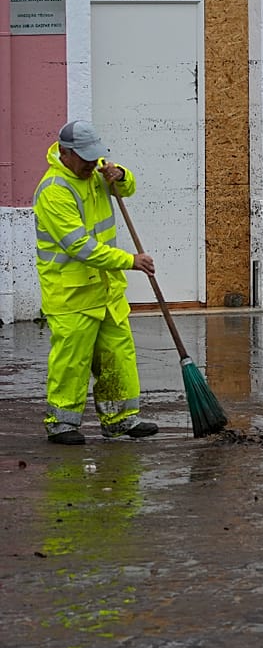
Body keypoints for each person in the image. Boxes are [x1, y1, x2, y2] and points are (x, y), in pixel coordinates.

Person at [33, 121, 160, 444]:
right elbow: (79, 247)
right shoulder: (54, 191)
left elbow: (128, 188)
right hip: (71, 293)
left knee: (118, 355)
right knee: (72, 362)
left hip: (106, 290)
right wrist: (130, 261)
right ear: (65, 153)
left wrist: (122, 175)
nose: (93, 163)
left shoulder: (96, 171)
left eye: (96, 157)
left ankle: (119, 419)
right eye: (85, 158)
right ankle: (62, 424)